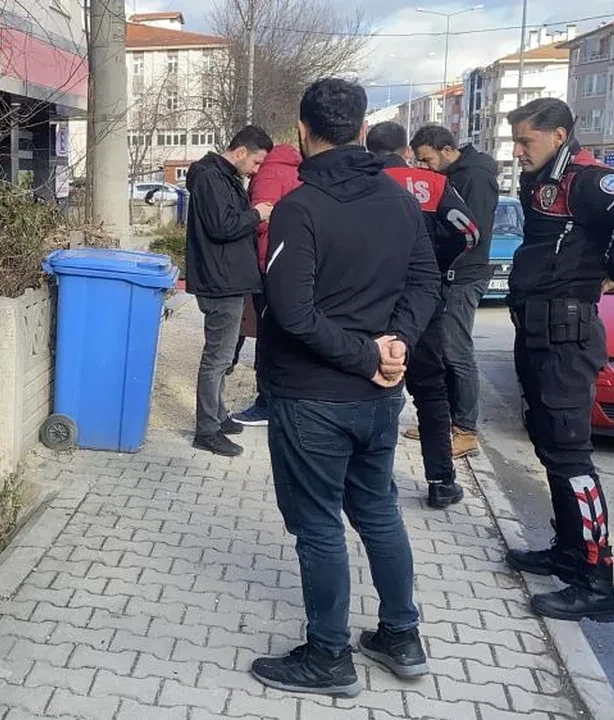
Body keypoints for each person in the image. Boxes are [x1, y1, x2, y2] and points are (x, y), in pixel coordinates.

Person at [250, 79, 441, 697]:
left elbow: (292, 311)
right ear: (361, 129)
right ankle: (401, 635)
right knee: (378, 508)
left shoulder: (300, 209)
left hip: (316, 397)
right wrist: (396, 349)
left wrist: (373, 355)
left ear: (303, 131)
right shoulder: (399, 201)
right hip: (380, 393)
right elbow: (426, 285)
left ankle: (330, 657)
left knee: (319, 525)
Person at [505, 98, 614, 622]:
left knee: (572, 458)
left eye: (525, 141)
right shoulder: (543, 179)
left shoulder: (590, 180)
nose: (516, 151)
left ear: (557, 136)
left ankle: (597, 584)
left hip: (567, 336)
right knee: (549, 447)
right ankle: (567, 553)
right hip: (535, 329)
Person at [367, 121, 481, 509]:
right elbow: (470, 233)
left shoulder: (358, 180)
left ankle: (370, 479)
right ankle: (441, 481)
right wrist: (436, 266)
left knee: (374, 384)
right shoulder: (430, 183)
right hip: (424, 300)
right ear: (404, 149)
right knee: (431, 392)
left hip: (369, 299)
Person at [409, 125, 500, 458]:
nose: (425, 168)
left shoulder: (473, 176)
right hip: (450, 272)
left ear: (446, 150)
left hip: (465, 273)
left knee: (456, 350)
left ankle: (465, 429)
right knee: (442, 350)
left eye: (427, 159)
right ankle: (442, 421)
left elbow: (468, 232)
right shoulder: (457, 173)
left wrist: (443, 260)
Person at [185, 125, 276, 456]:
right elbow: (222, 226)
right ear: (240, 153)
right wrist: (257, 214)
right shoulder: (211, 177)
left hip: (228, 278)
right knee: (218, 358)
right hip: (219, 281)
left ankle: (218, 416)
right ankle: (206, 430)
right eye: (255, 163)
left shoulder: (222, 176)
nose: (256, 170)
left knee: (222, 357)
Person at [231, 143, 304, 427]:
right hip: (297, 261)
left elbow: (261, 221)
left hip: (269, 260)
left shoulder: (269, 175)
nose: (253, 171)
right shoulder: (299, 171)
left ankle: (266, 404)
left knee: (267, 335)